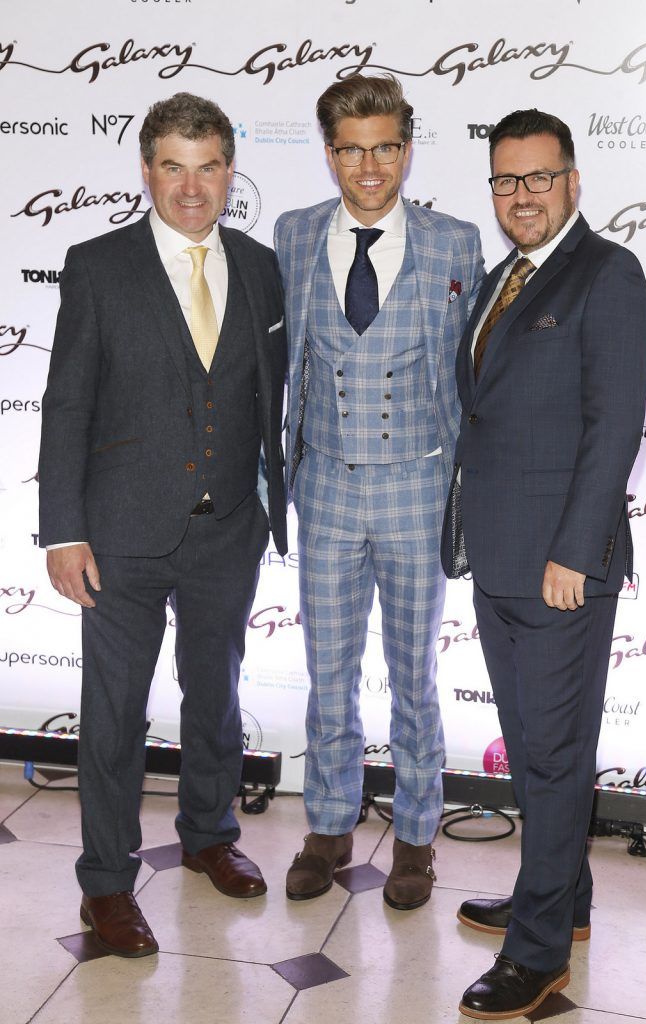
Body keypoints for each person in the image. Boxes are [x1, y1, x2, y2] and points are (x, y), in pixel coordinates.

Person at [38, 92, 287, 958]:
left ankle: (209, 835)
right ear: (146, 172)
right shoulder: (96, 264)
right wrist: (61, 530)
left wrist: (271, 507)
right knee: (111, 716)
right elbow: (66, 400)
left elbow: (268, 395)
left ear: (229, 172)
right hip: (118, 536)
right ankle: (106, 883)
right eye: (173, 166)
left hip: (228, 532)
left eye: (208, 165)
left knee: (215, 698)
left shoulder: (259, 266)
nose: (192, 186)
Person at [441, 109, 646, 1018]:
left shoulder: (608, 272)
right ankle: (561, 900)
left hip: (561, 566)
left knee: (556, 757)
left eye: (537, 178)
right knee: (532, 754)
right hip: (497, 559)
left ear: (572, 181)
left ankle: (537, 959)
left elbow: (616, 425)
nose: (519, 196)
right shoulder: (499, 279)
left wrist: (573, 549)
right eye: (504, 180)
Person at [274, 74, 484, 910]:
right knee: (327, 674)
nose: (369, 167)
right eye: (352, 149)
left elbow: (471, 375)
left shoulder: (454, 242)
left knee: (413, 676)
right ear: (330, 154)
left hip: (419, 486)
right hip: (321, 484)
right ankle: (327, 823)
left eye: (385, 147)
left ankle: (416, 836)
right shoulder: (290, 237)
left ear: (406, 147)